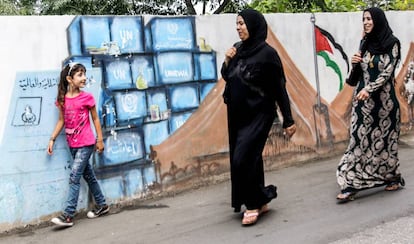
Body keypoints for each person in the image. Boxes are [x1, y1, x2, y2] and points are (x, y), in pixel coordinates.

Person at [221, 9, 296, 226]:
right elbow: (227, 76)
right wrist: (226, 61)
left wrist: (288, 119)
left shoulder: (268, 54)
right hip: (237, 116)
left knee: (242, 158)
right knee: (251, 159)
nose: (238, 27)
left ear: (253, 25)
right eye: (237, 24)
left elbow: (279, 88)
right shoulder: (237, 50)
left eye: (242, 23)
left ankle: (252, 204)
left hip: (260, 115)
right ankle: (261, 201)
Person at [337, 7, 403, 202]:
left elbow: (388, 71)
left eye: (369, 19)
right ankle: (350, 184)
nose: (365, 22)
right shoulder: (365, 43)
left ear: (378, 21)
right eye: (363, 19)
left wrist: (370, 88)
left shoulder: (393, 43)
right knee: (357, 141)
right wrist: (355, 62)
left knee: (386, 145)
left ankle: (392, 177)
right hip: (363, 105)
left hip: (386, 106)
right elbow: (356, 77)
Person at [47, 63, 110, 226]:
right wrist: (52, 138)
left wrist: (100, 140)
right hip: (72, 144)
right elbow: (61, 120)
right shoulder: (62, 100)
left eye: (84, 74)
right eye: (79, 75)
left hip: (86, 143)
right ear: (69, 79)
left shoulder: (87, 98)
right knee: (88, 175)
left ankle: (68, 215)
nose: (84, 78)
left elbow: (95, 119)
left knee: (74, 177)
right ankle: (102, 205)